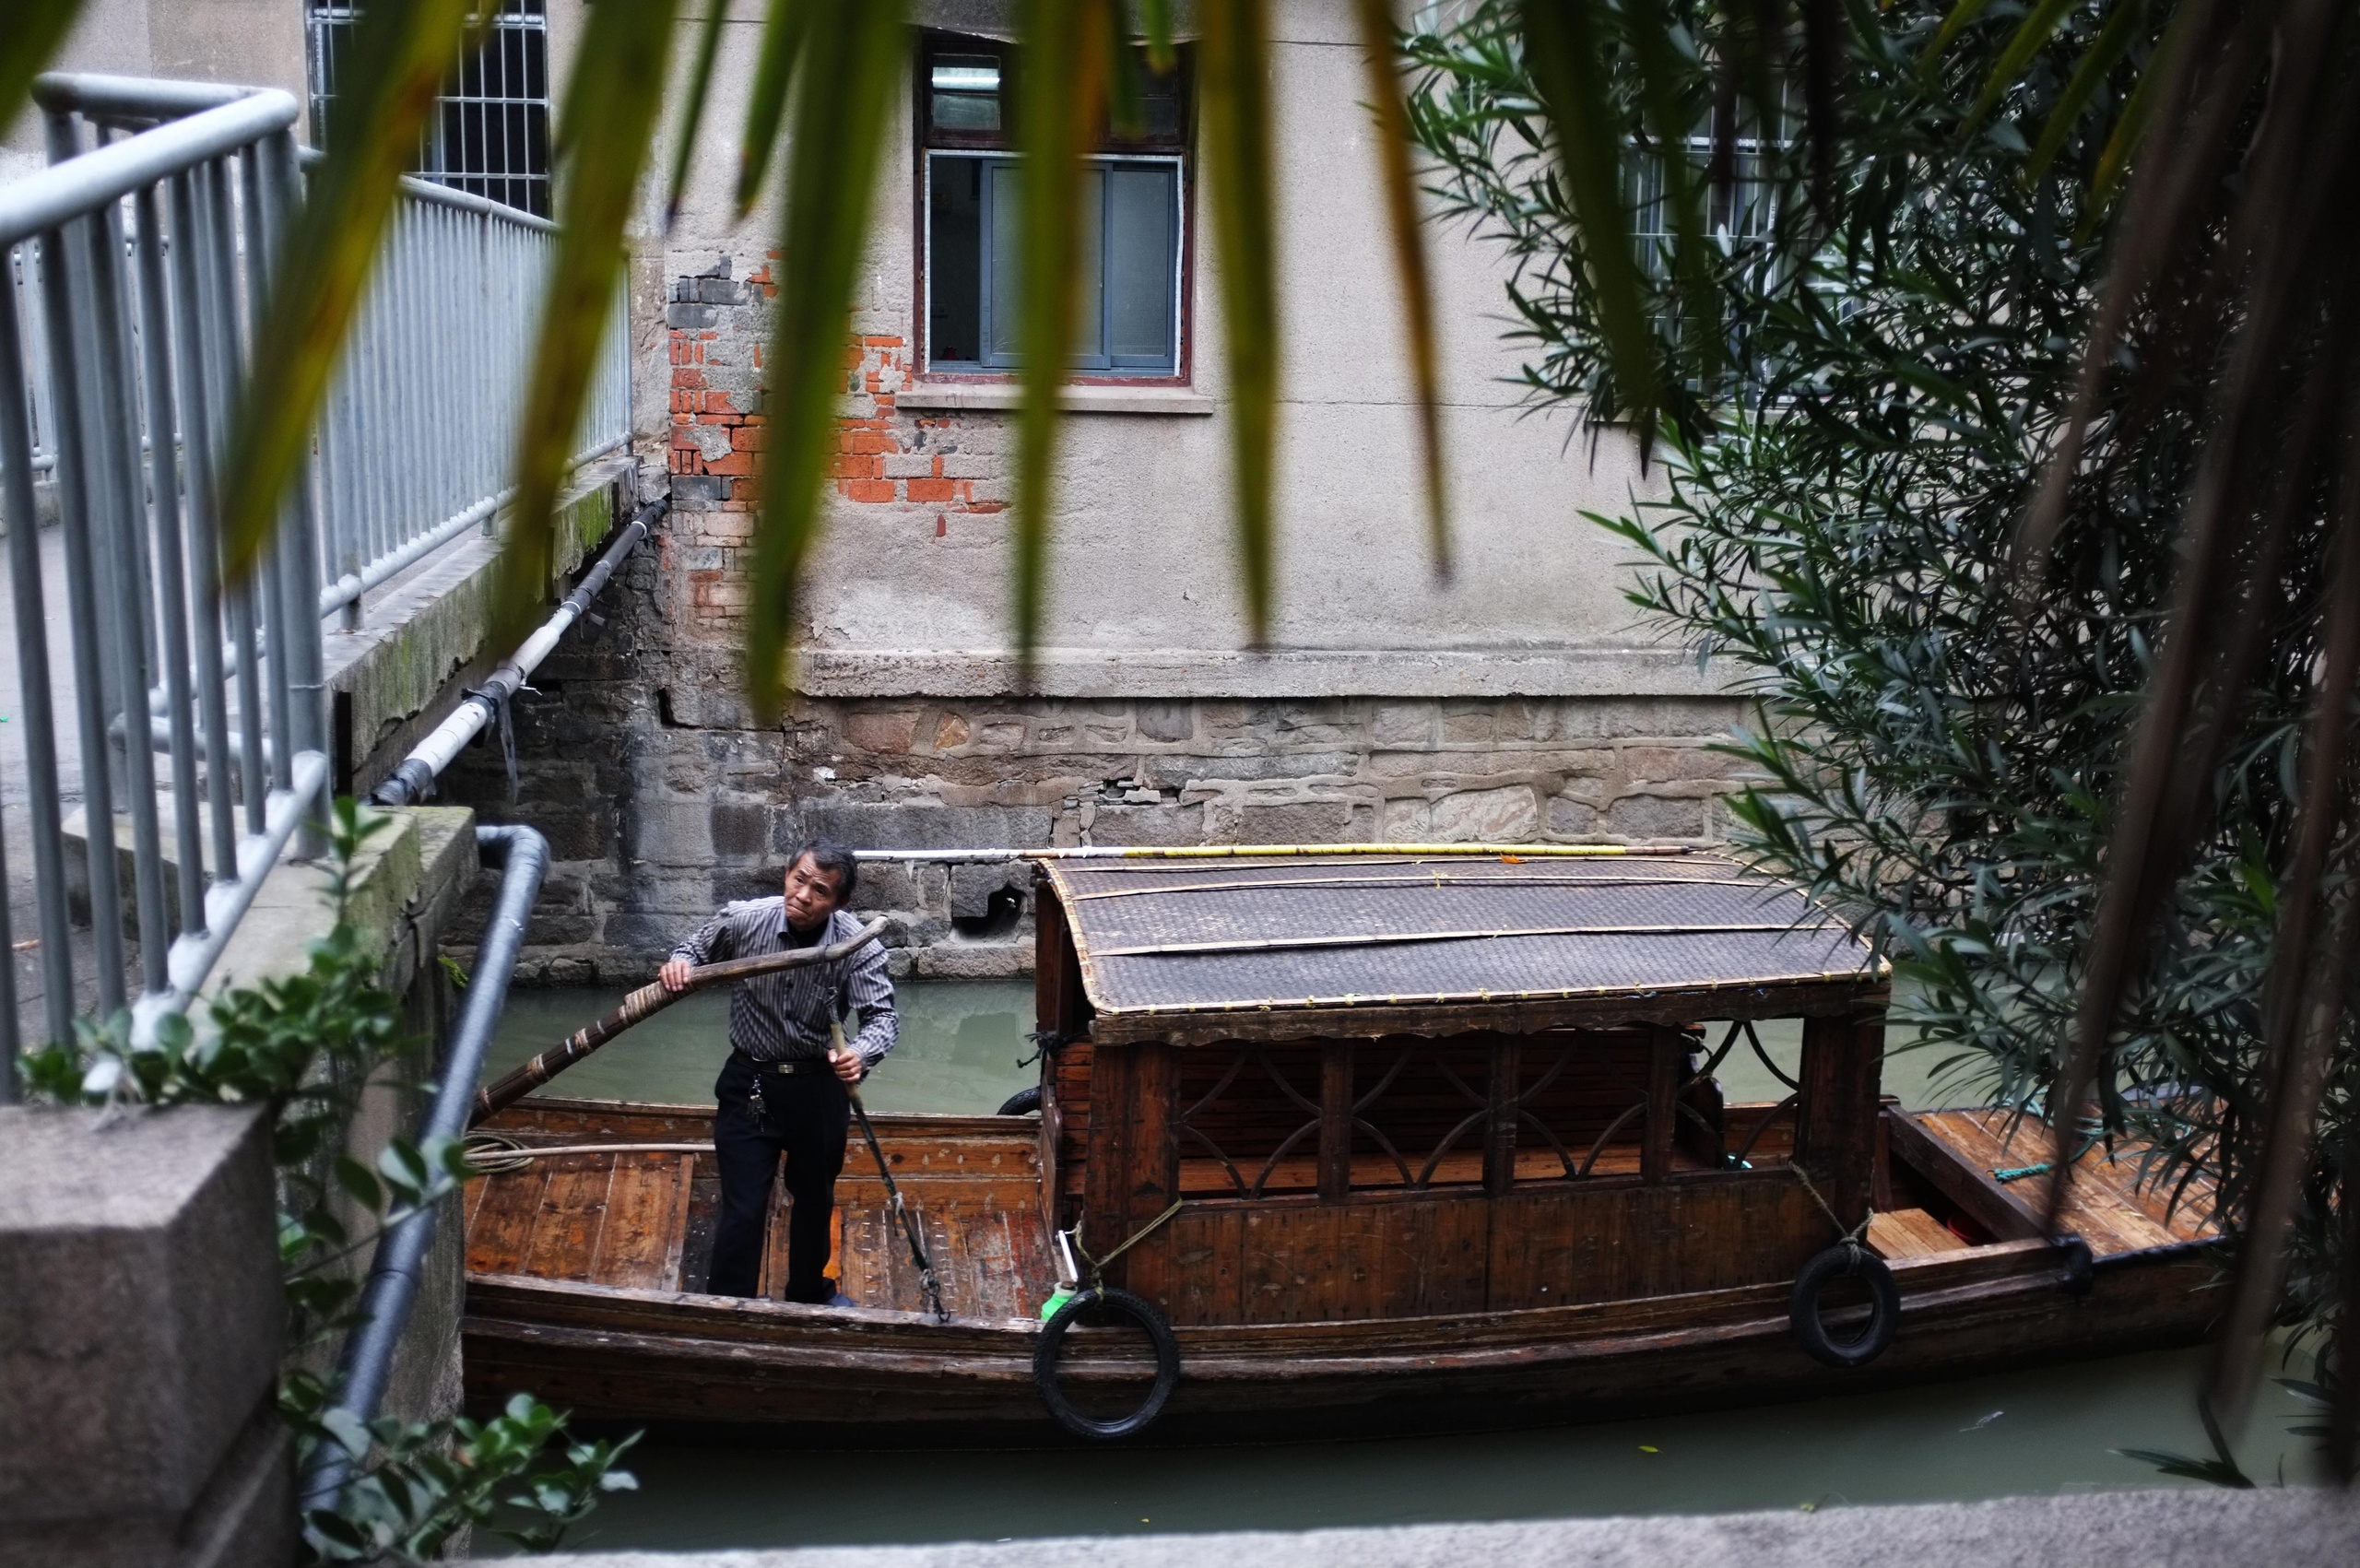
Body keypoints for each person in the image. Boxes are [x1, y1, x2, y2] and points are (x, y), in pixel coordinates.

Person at [660, 842, 897, 1303]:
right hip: (751, 1082)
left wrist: (860, 1055)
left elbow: (882, 1018)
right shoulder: (745, 919)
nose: (803, 895)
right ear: (787, 875)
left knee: (814, 1200)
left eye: (820, 890)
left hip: (819, 1087)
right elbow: (692, 948)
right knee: (744, 1206)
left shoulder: (855, 943)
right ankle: (730, 1303)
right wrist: (681, 963)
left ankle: (809, 1293)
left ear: (839, 902)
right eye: (798, 880)